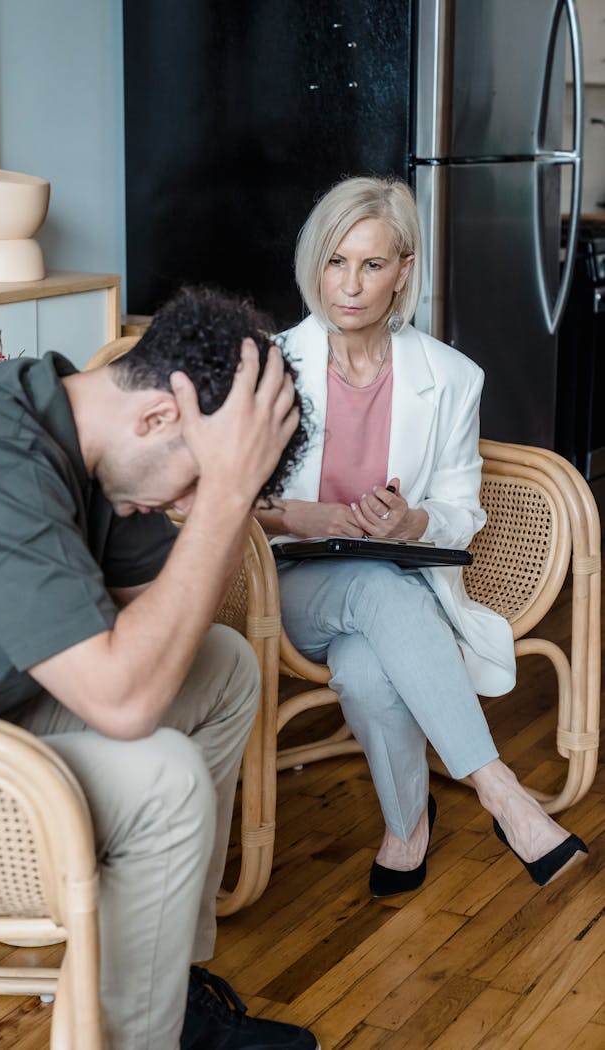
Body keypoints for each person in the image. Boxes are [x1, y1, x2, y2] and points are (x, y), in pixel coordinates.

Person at [0, 286, 319, 1050]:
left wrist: (221, 490)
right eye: (195, 481)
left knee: (223, 667)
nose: (192, 508)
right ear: (160, 416)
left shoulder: (86, 446)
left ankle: (162, 994)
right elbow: (126, 703)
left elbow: (169, 629)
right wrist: (227, 496)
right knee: (162, 777)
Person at [255, 176, 588, 896]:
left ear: (403, 271)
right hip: (282, 588)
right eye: (336, 261)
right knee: (375, 590)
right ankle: (503, 794)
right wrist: (296, 515)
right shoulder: (270, 366)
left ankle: (407, 826)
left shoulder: (450, 376)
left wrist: (416, 521)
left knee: (368, 671)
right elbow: (223, 501)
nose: (349, 285)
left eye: (371, 265)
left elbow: (462, 506)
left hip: (395, 590)